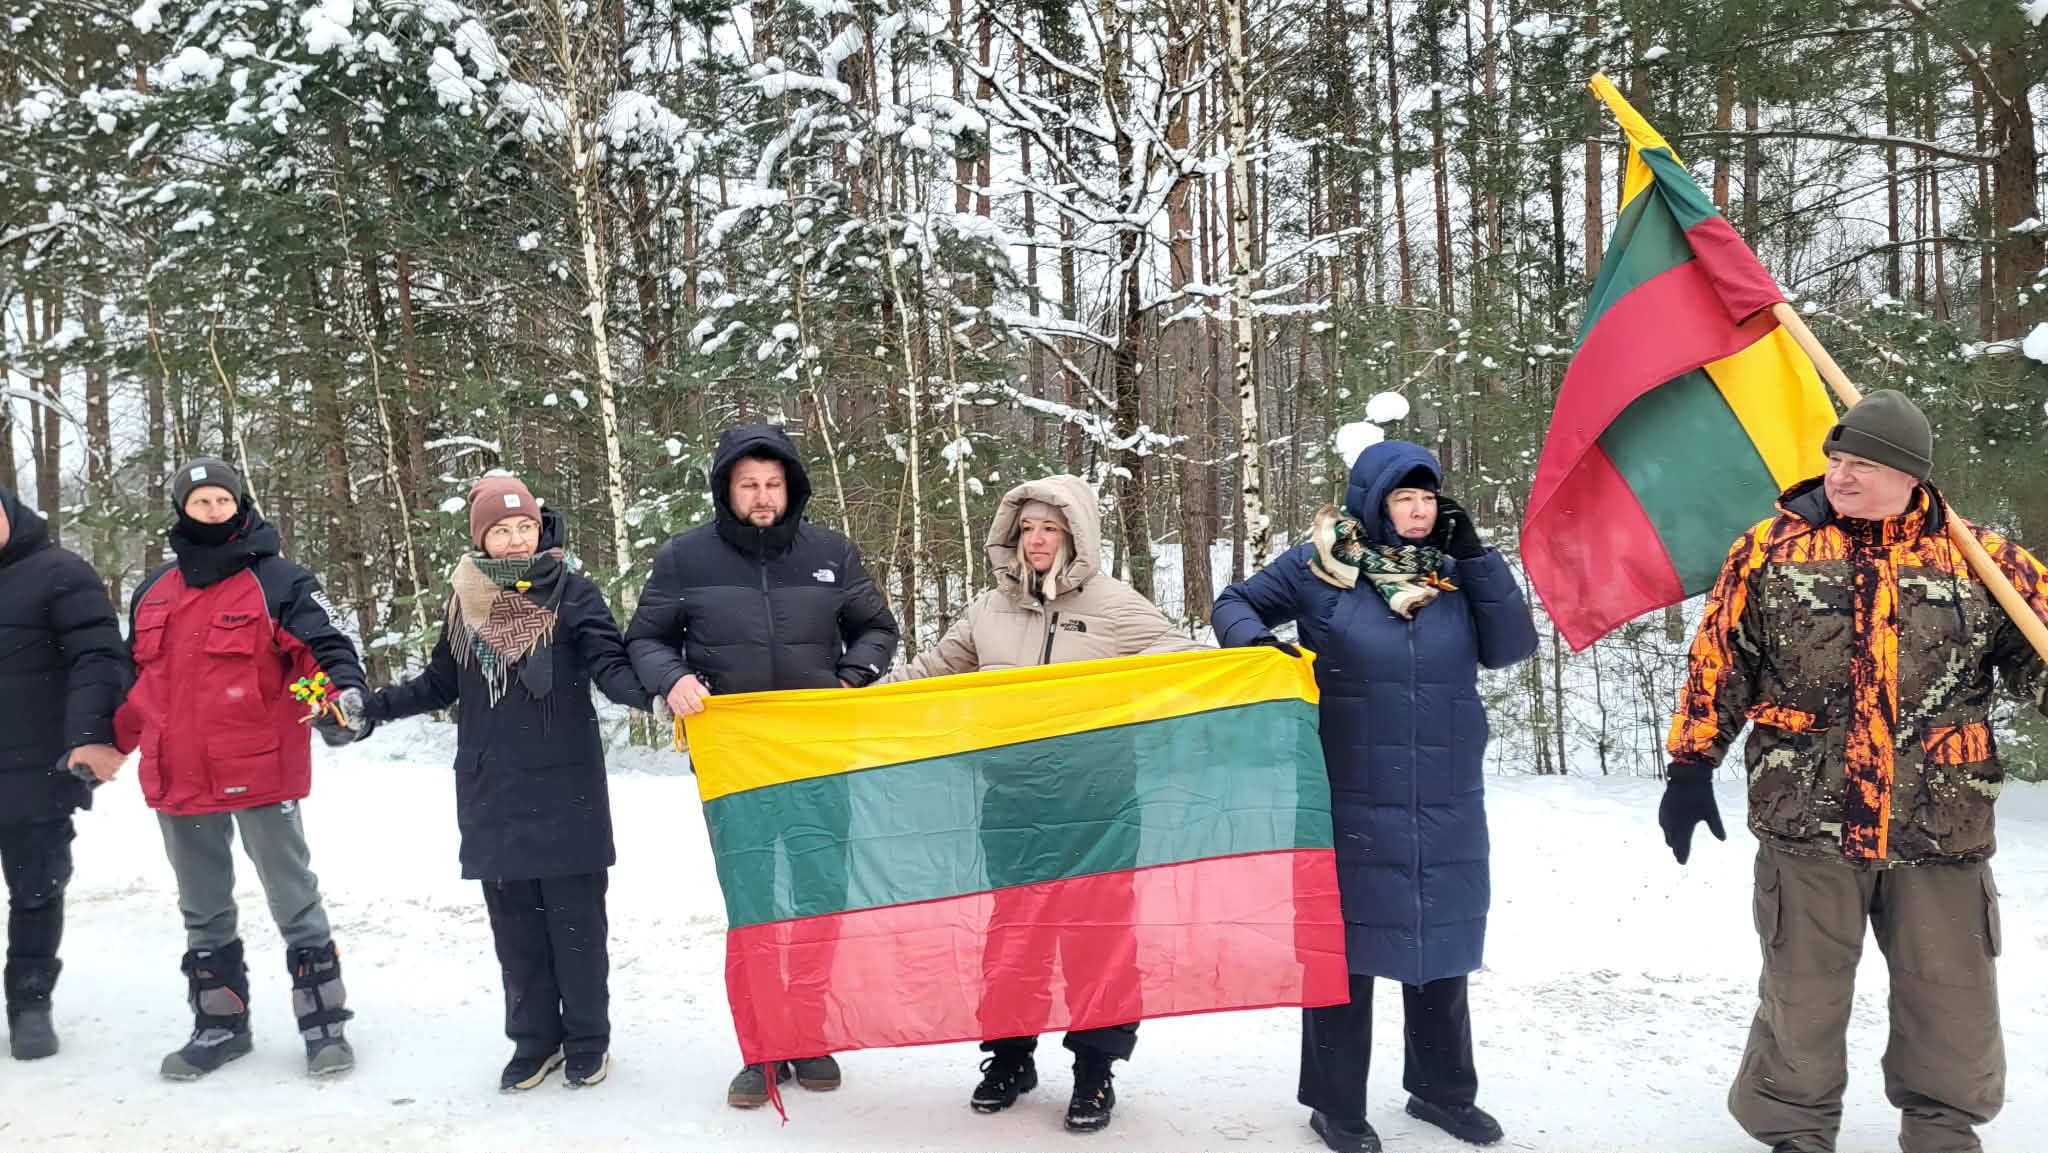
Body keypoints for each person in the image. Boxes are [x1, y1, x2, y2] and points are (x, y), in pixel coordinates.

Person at [1659, 389, 2046, 1153]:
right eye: (1837, 460)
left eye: (1862, 463)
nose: (1841, 475)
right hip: (1809, 818)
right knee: (1800, 995)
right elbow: (1720, 664)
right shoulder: (1770, 549)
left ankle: (1942, 1130)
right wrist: (1690, 764)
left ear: (1910, 475)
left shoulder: (1982, 559)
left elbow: (2038, 658)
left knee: (1952, 998)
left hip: (1940, 821)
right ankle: (1794, 1131)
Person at [1212, 440, 1536, 1153]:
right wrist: (1259, 649)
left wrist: (1481, 560)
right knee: (1345, 951)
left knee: (1439, 940)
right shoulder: (1320, 565)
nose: (1419, 512)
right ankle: (1336, 1105)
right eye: (1403, 498)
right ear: (1372, 500)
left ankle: (1442, 1091)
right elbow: (1234, 603)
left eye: (1427, 498)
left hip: (1445, 786)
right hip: (1346, 783)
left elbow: (1512, 645)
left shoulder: (1454, 573)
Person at [880, 474, 1203, 1134]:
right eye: (1026, 528)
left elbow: (1182, 658)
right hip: (1015, 800)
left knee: (1097, 939)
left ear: (1075, 535)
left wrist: (1116, 699)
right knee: (1016, 935)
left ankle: (1094, 1070)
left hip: (1100, 803)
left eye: (1049, 528)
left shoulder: (1115, 604)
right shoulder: (988, 609)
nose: (1036, 540)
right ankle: (1009, 1058)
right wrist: (855, 699)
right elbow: (934, 669)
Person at [624, 423, 899, 1108]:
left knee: (817, 898)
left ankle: (807, 1032)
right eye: (748, 484)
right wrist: (672, 679)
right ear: (727, 488)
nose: (762, 495)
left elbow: (877, 626)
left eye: (773, 483)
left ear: (791, 487)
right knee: (753, 906)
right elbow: (646, 638)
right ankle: (762, 1048)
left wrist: (852, 675)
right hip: (736, 763)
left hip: (817, 758)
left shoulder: (831, 551)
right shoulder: (686, 558)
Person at [367, 476, 651, 1093]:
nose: (517, 538)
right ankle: (533, 1042)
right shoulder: (465, 602)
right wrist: (374, 708)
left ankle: (586, 1040)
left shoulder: (573, 594)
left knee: (576, 928)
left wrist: (662, 696)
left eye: (525, 526)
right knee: (516, 930)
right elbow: (441, 683)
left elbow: (610, 666)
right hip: (493, 787)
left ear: (541, 528)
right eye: (502, 530)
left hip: (565, 788)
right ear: (483, 539)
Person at [110, 458, 371, 1080]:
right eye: (199, 502)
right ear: (183, 510)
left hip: (259, 766)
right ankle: (219, 1024)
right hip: (177, 771)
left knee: (292, 897)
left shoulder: (279, 580)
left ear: (239, 504)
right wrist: (103, 744)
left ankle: (323, 1023)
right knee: (201, 907)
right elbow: (133, 682)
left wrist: (335, 698)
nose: (211, 510)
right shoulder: (154, 591)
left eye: (221, 500)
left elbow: (318, 653)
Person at [0, 487, 129, 1060]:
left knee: (36, 889)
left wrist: (88, 736)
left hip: (34, 772)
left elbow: (99, 658)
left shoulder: (58, 573)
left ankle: (30, 1003)